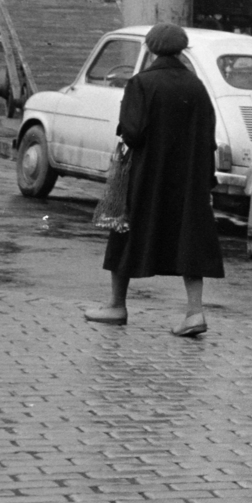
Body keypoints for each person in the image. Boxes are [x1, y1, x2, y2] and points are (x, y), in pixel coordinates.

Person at [83, 23, 223, 336]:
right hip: (188, 181)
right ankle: (194, 313)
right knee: (188, 240)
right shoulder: (196, 87)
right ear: (182, 49)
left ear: (151, 48)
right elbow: (208, 135)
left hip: (147, 176)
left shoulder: (141, 83)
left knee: (125, 233)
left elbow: (132, 132)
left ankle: (117, 305)